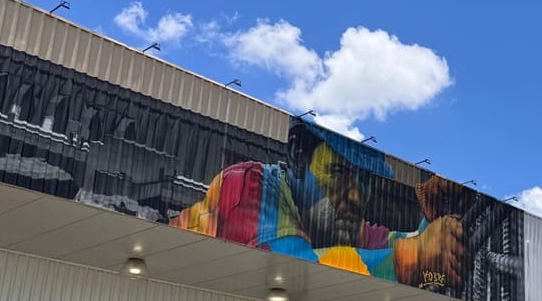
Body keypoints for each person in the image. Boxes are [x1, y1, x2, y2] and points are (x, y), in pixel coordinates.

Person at [170, 119, 467, 288]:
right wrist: (411, 256)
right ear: (298, 156)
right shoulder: (245, 185)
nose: (356, 196)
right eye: (339, 174)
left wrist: (433, 216)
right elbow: (292, 265)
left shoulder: (336, 224)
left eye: (366, 181)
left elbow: (405, 244)